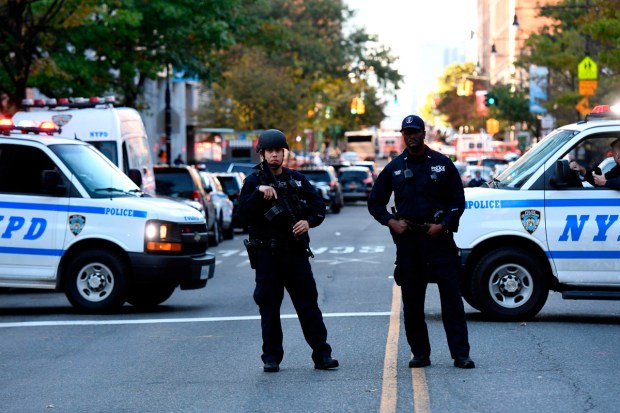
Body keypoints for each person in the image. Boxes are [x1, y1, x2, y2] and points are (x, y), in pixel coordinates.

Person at [367, 115, 475, 369]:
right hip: (409, 244)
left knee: (452, 301)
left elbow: (458, 202)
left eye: (415, 131)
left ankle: (461, 354)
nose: (411, 136)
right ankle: (420, 353)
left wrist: (444, 225)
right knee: (412, 303)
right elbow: (375, 202)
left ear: (424, 133)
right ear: (403, 135)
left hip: (439, 240)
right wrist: (391, 222)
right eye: (407, 132)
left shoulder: (442, 164)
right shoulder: (393, 168)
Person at [238, 129, 338, 373]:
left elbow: (319, 206)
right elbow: (242, 214)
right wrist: (258, 194)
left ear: (283, 153)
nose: (274, 155)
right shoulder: (253, 181)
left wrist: (309, 222)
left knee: (308, 306)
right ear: (262, 153)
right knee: (269, 308)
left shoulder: (297, 179)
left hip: (294, 253)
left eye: (278, 151)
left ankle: (322, 355)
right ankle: (271, 357)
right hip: (267, 256)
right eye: (269, 151)